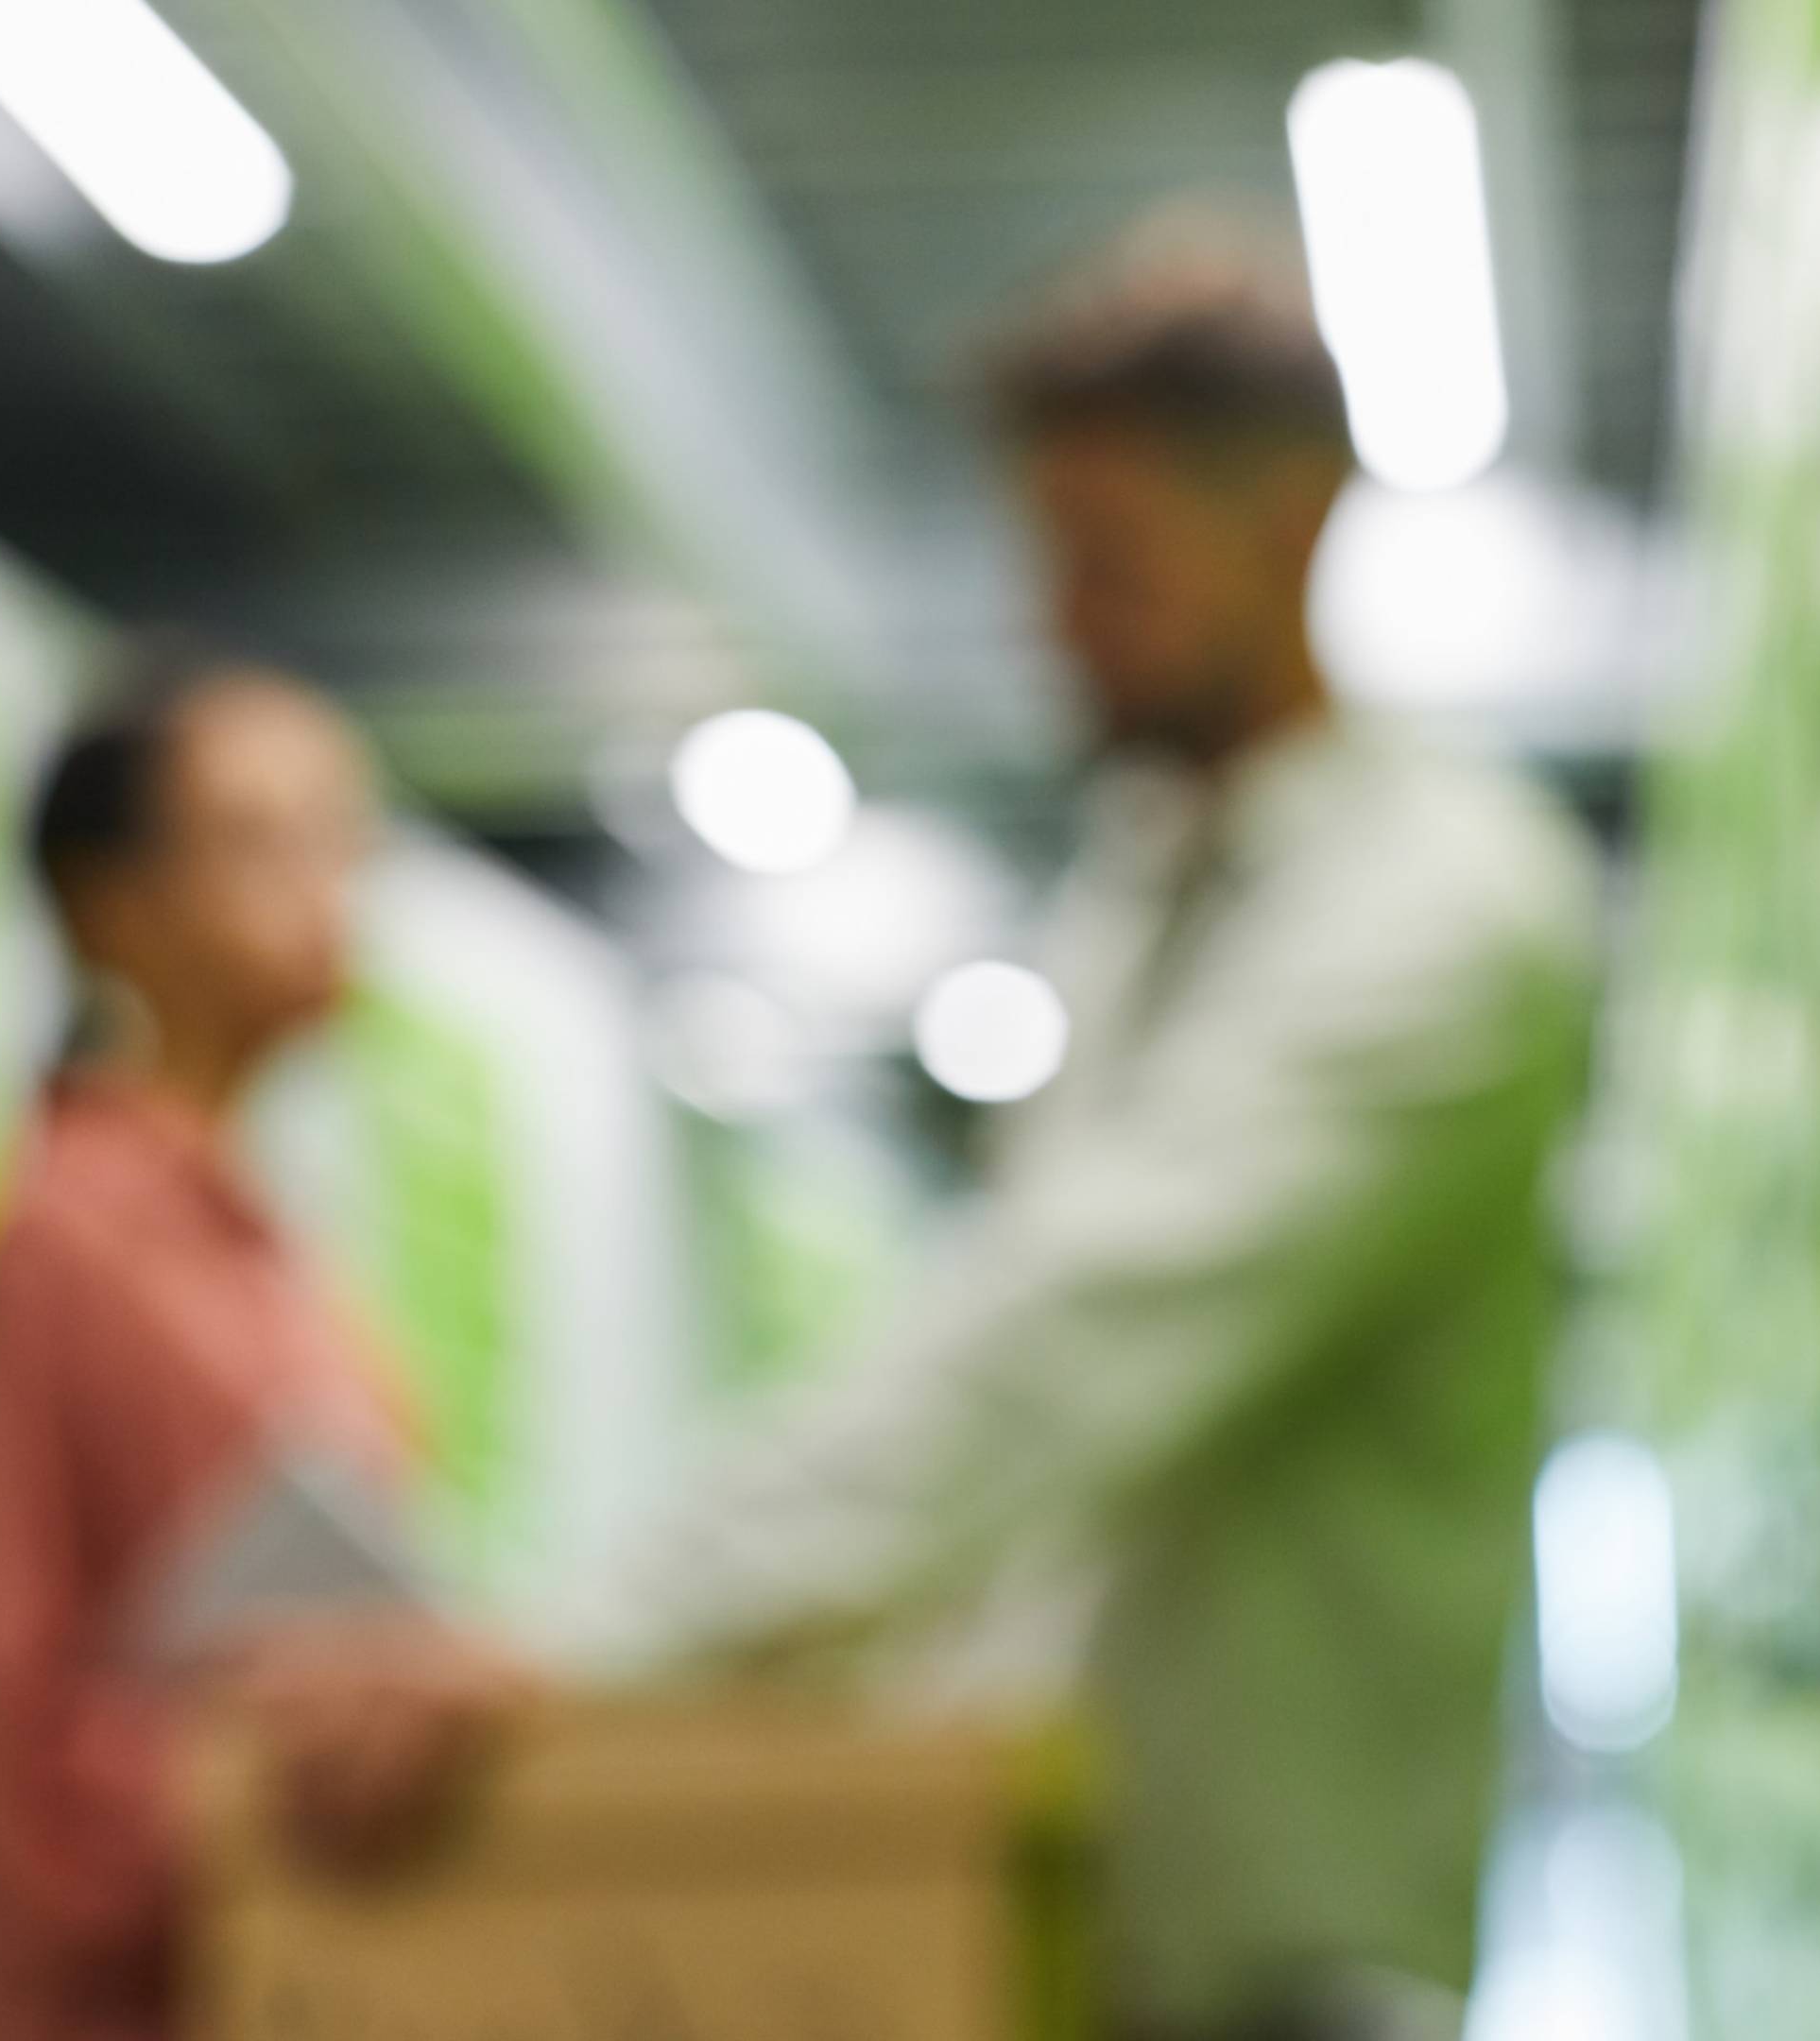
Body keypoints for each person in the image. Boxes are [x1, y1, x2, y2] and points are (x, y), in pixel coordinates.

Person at [587, 223, 1602, 2041]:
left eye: (1104, 563)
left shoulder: (1445, 908)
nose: (1050, 621)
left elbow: (1065, 1342)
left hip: (1289, 1971)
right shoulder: (1140, 897)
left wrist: (578, 1654)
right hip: (1076, 1919)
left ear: (1290, 525)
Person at [0, 649, 505, 2041]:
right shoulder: (57, 1236)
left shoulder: (283, 1256)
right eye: (262, 841)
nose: (327, 890)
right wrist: (260, 1778)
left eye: (341, 841)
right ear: (108, 904)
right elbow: (0, 1718)